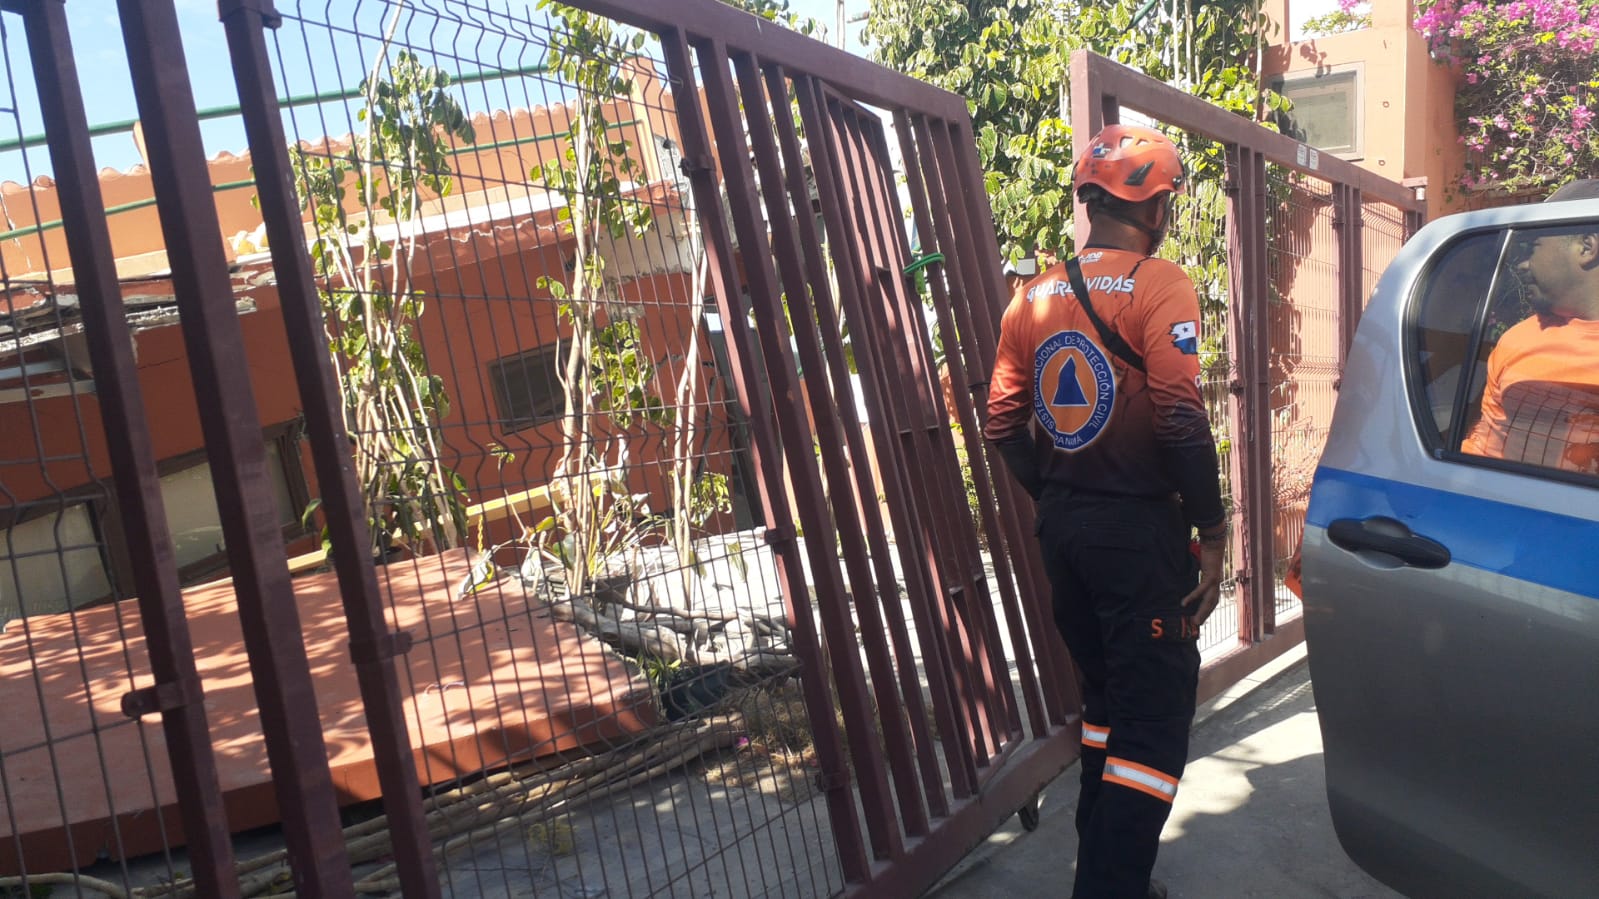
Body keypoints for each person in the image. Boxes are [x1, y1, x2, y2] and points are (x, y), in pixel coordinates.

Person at [985, 124, 1226, 899]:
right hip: (1136, 535)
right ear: (1154, 207)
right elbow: (1179, 420)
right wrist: (1212, 530)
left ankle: (1104, 872)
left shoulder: (1030, 296)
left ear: (1090, 200)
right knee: (1150, 726)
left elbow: (1000, 424)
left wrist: (1057, 495)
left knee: (1105, 708)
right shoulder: (1160, 284)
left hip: (1064, 533)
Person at [1461, 178, 1599, 473]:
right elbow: (1484, 454)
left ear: (1586, 247)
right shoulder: (1518, 341)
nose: (1522, 265)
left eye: (1533, 248)